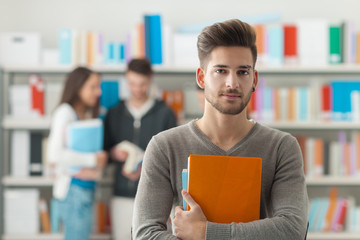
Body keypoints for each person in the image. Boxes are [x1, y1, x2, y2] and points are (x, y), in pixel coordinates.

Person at [132, 19, 308, 240]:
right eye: (221, 71)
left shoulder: (282, 147)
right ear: (201, 77)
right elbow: (144, 234)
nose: (232, 83)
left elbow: (292, 230)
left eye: (242, 72)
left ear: (254, 79)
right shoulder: (164, 146)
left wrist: (206, 233)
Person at [103, 58, 177, 240]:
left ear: (150, 79)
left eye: (142, 84)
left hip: (156, 197)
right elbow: (105, 152)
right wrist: (113, 153)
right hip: (121, 193)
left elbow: (172, 157)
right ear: (126, 80)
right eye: (132, 84)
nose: (137, 89)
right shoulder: (114, 113)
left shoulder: (165, 114)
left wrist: (146, 167)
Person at [47, 66, 108, 240]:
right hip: (73, 192)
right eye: (93, 87)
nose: (98, 92)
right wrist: (93, 159)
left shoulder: (81, 114)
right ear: (78, 87)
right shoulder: (65, 112)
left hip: (83, 190)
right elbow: (54, 154)